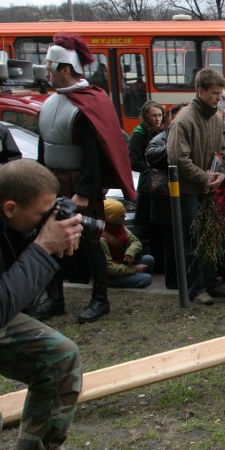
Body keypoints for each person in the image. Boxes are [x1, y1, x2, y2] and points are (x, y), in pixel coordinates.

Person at [0, 157, 92, 450]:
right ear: (10, 208)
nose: (47, 220)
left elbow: (7, 297)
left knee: (59, 357)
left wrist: (47, 243)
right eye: (41, 214)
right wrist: (43, 247)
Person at [33, 33, 136, 324]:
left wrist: (85, 191)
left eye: (50, 65)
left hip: (80, 185)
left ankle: (100, 299)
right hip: (51, 182)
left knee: (91, 241)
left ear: (65, 69)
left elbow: (95, 153)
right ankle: (55, 298)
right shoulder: (53, 101)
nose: (46, 71)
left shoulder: (90, 102)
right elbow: (45, 144)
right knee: (48, 239)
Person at [167, 67, 225, 305]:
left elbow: (222, 152)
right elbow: (177, 159)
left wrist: (220, 175)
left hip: (207, 189)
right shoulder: (184, 120)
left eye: (220, 94)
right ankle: (197, 288)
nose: (219, 98)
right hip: (187, 192)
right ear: (200, 91)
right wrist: (205, 178)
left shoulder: (215, 118)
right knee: (192, 242)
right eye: (215, 93)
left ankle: (210, 282)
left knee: (209, 238)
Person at [145, 102, 186, 290]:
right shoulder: (162, 138)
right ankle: (173, 283)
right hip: (166, 202)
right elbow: (151, 155)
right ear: (172, 118)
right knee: (172, 245)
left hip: (186, 197)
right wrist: (174, 146)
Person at [128, 100, 164, 260]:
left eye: (160, 115)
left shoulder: (162, 132)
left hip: (159, 185)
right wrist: (150, 167)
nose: (157, 119)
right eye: (153, 116)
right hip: (147, 185)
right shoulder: (139, 133)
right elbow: (133, 161)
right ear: (146, 117)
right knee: (145, 224)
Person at [100, 199, 154, 289]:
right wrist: (134, 269)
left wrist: (130, 252)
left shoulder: (120, 228)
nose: (124, 216)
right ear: (112, 217)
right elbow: (109, 268)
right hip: (111, 275)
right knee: (146, 279)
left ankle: (133, 277)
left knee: (148, 259)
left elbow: (136, 242)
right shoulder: (102, 239)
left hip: (123, 263)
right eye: (121, 215)